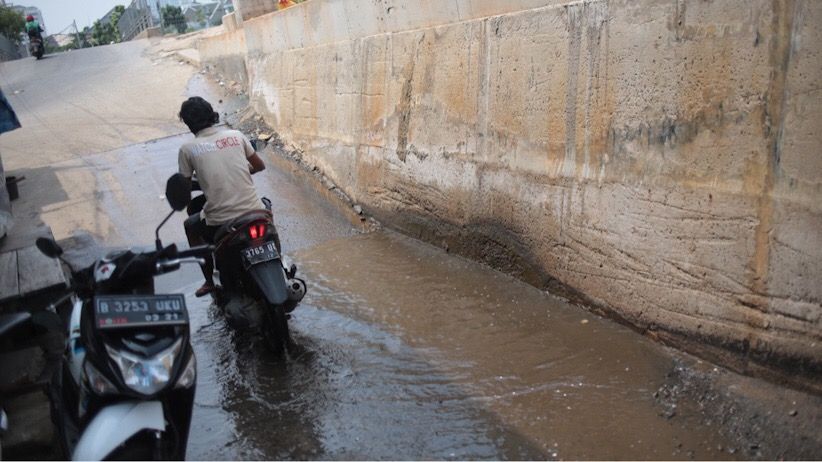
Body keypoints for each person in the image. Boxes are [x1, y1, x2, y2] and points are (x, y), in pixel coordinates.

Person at [177, 96, 266, 297]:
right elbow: (259, 166)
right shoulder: (236, 135)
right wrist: (239, 171)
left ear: (188, 123)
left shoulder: (187, 150)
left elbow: (184, 189)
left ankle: (209, 280)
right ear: (212, 114)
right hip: (255, 210)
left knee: (190, 226)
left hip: (221, 220)